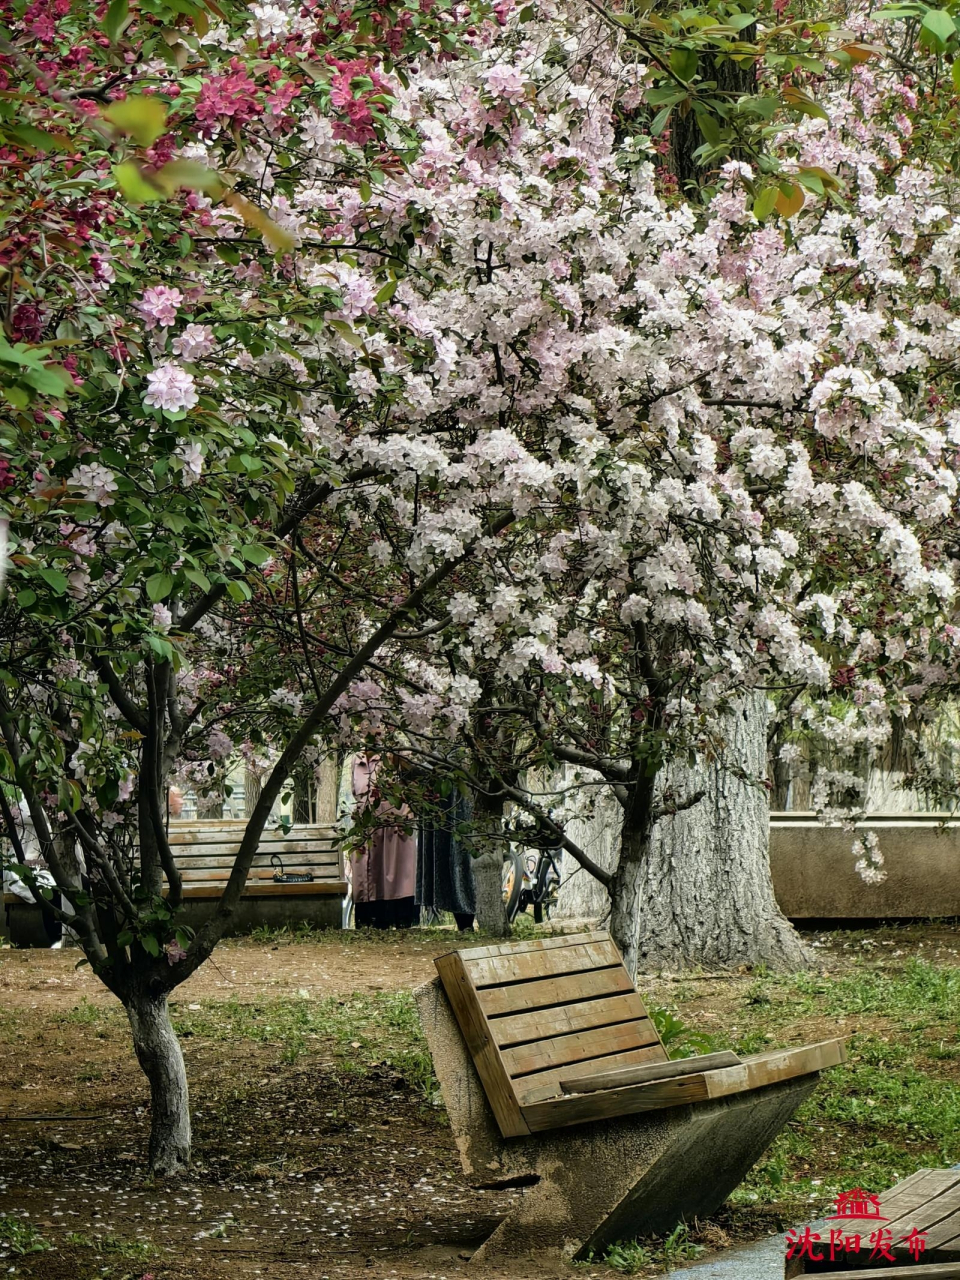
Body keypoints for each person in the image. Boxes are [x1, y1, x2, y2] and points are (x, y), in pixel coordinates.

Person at [347, 752, 418, 928]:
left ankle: (400, 919)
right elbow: (356, 793)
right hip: (367, 823)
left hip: (394, 824)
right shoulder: (356, 760)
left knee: (396, 872)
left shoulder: (396, 754)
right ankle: (369, 919)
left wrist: (408, 812)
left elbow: (415, 790)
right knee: (365, 870)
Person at [416, 787, 476, 932]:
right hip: (439, 796)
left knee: (461, 855)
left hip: (460, 793)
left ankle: (466, 919)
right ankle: (464, 922)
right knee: (448, 857)